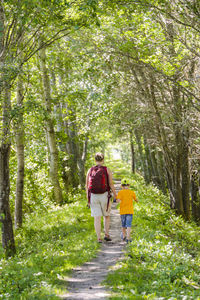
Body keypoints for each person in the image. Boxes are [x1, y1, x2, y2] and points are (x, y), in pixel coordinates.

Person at [86, 152, 117, 243]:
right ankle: (106, 235)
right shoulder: (107, 169)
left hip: (93, 196)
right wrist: (115, 195)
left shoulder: (90, 170)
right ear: (103, 160)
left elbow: (87, 186)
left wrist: (88, 199)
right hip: (104, 195)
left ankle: (99, 237)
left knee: (97, 217)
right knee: (106, 215)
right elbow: (111, 184)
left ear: (95, 160)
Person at [116, 178, 138, 243]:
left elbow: (118, 201)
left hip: (123, 211)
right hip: (130, 211)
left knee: (123, 225)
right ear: (129, 185)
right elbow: (136, 200)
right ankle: (128, 238)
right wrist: (136, 200)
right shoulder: (132, 192)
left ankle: (124, 236)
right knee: (128, 225)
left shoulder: (120, 192)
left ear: (122, 186)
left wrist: (115, 199)